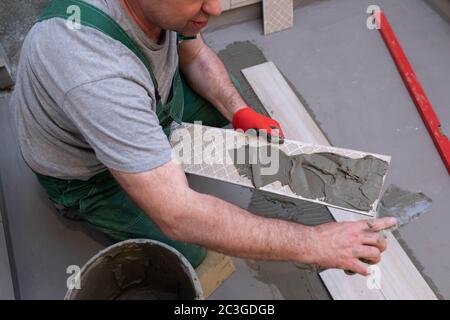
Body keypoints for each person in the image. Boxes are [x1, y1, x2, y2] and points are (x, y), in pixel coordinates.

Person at [11, 0, 396, 274]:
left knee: (220, 112)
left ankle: (159, 146)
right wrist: (315, 244)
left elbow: (193, 55)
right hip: (90, 175)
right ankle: (98, 195)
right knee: (189, 250)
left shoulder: (164, 9)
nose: (215, 9)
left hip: (151, 102)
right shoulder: (94, 71)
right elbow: (178, 215)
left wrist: (238, 110)